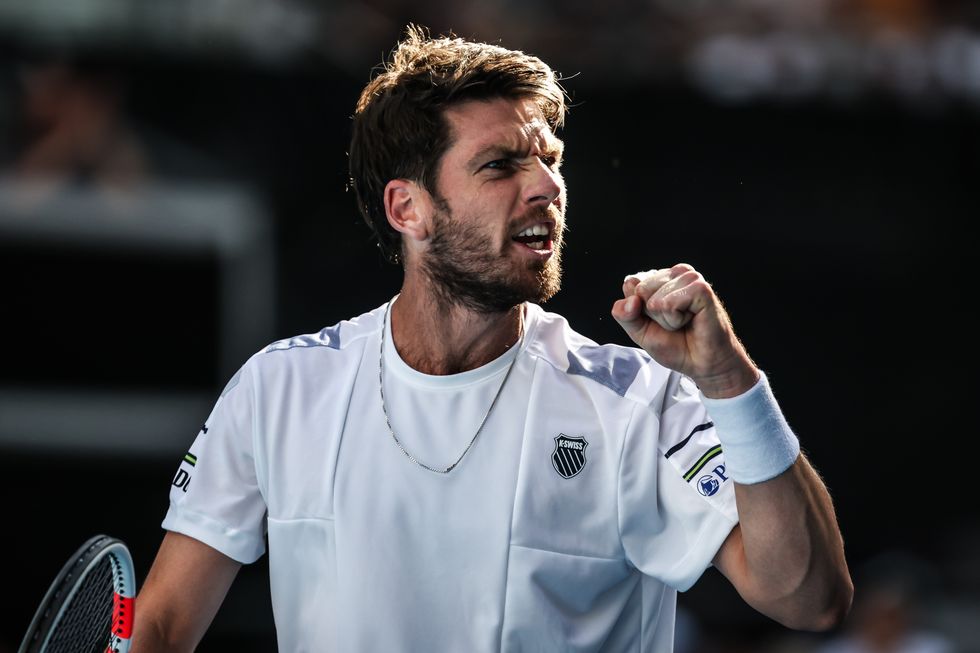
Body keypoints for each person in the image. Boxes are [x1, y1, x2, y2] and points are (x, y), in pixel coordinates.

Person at [131, 25, 853, 652]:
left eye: (550, 160)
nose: (546, 186)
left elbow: (809, 596)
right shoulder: (278, 389)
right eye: (501, 164)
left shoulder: (638, 399)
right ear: (407, 208)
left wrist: (729, 383)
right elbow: (161, 627)